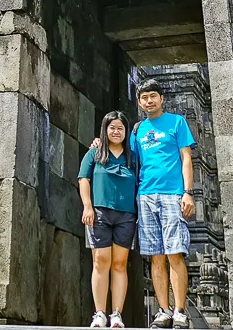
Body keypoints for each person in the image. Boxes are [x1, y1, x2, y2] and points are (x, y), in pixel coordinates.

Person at [132, 80, 196, 329]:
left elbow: (186, 158)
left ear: (161, 99)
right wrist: (98, 144)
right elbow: (126, 156)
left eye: (153, 96)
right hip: (145, 195)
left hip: (172, 194)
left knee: (175, 253)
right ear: (140, 102)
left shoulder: (177, 122)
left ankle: (180, 310)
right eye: (144, 97)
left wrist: (188, 193)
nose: (149, 101)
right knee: (156, 257)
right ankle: (163, 310)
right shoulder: (138, 130)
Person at [78, 110, 137, 329]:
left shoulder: (133, 156)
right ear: (104, 129)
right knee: (100, 261)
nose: (115, 131)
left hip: (126, 215)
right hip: (99, 213)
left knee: (120, 264)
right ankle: (100, 313)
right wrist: (87, 206)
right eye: (112, 127)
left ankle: (117, 314)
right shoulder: (94, 153)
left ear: (126, 132)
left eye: (120, 128)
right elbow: (83, 179)